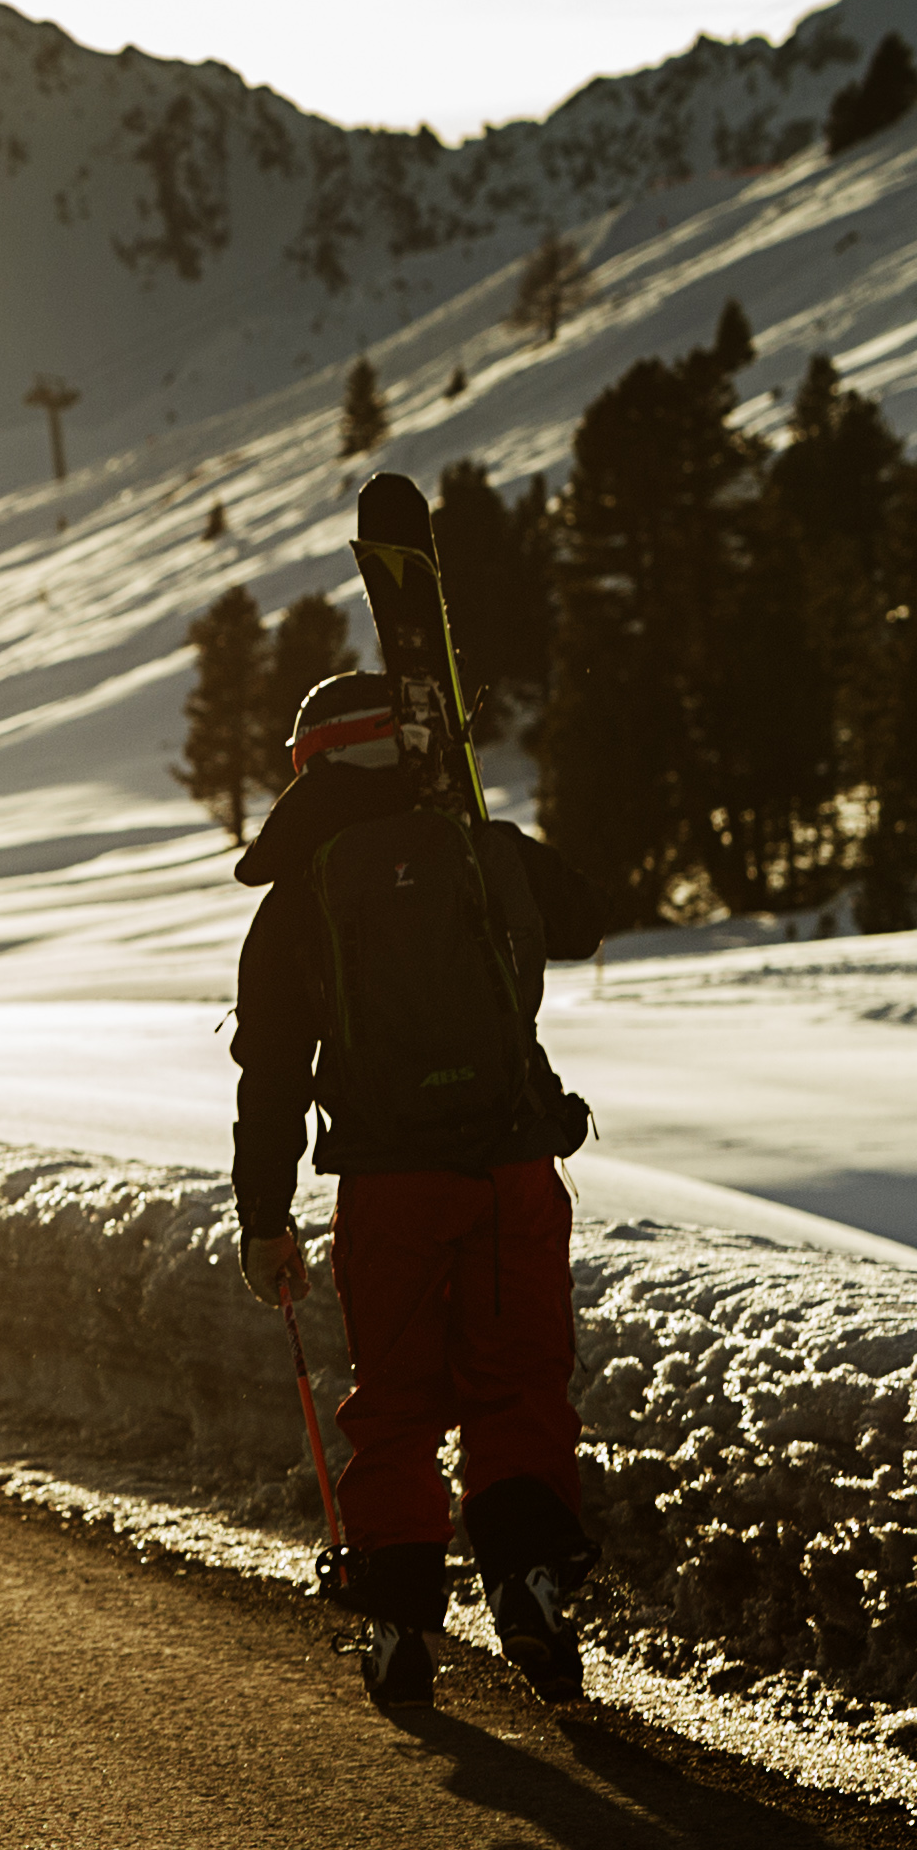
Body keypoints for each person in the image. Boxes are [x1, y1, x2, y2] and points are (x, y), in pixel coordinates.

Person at [229, 670, 603, 1707]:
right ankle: (526, 1578)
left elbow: (267, 1075)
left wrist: (263, 1219)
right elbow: (581, 916)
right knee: (516, 1379)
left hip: (390, 1188)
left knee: (393, 1402)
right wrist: (477, 833)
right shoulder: (480, 850)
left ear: (312, 765)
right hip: (511, 1167)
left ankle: (397, 1620)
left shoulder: (299, 893)